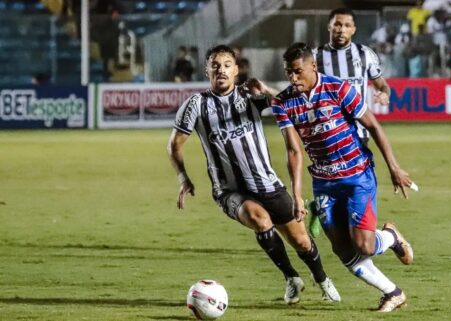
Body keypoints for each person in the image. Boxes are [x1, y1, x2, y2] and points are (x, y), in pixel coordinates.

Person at [167, 44, 340, 305]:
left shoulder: (250, 97)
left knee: (302, 242)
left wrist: (267, 91)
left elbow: (288, 104)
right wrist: (183, 178)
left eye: (227, 65)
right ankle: (291, 277)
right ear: (207, 71)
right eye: (215, 66)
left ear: (236, 70)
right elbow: (175, 145)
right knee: (259, 220)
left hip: (267, 183)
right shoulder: (195, 106)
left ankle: (322, 279)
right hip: (229, 191)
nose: (221, 70)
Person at [272, 42, 415, 313]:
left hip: (357, 176)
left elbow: (372, 125)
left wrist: (394, 167)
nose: (292, 78)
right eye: (288, 72)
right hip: (324, 183)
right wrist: (298, 195)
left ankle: (391, 237)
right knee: (342, 249)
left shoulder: (339, 89)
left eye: (297, 71)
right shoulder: (283, 102)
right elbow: (293, 150)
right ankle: (392, 293)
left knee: (364, 244)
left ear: (313, 66)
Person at [311, 8, 392, 235]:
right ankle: (323, 206)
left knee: (354, 184)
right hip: (326, 134)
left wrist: (384, 93)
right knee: (331, 178)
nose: (341, 29)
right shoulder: (315, 57)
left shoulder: (365, 54)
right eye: (337, 24)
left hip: (358, 132)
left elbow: (381, 84)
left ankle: (329, 210)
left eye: (347, 25)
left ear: (354, 30)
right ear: (329, 27)